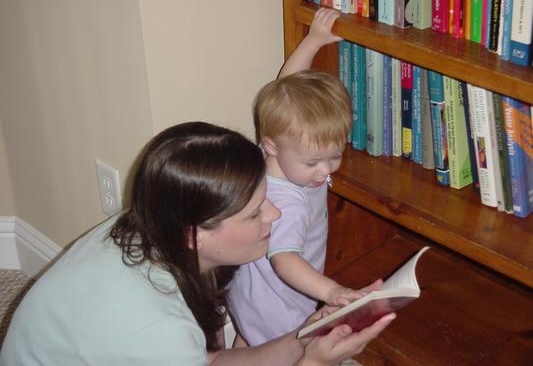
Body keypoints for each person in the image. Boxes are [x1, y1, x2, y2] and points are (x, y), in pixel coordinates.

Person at [0, 121, 395, 366]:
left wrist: (305, 338)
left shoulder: (152, 223)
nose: (275, 215)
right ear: (194, 235)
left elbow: (212, 361)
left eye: (267, 199)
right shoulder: (158, 328)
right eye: (254, 214)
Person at [228, 8, 364, 347]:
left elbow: (286, 87)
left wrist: (313, 42)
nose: (326, 171)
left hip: (251, 289)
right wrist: (331, 291)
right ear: (272, 145)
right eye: (314, 162)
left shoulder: (273, 151)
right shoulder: (286, 203)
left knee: (248, 338)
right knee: (278, 349)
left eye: (335, 156)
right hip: (281, 303)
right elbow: (285, 260)